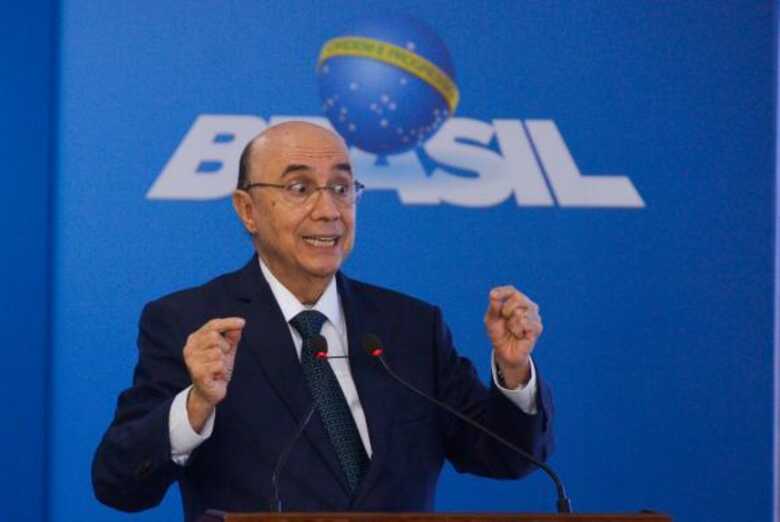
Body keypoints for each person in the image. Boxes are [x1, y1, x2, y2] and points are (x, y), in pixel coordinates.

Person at [92, 121, 554, 522]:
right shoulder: (190, 323)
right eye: (299, 189)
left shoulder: (411, 326)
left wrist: (514, 372)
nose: (329, 210)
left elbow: (506, 457)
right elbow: (119, 483)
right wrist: (195, 405)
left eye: (341, 188)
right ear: (247, 210)